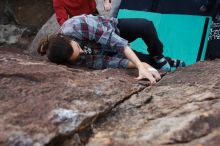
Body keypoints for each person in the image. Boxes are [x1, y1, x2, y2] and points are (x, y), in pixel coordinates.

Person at [38, 14, 185, 84]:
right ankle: (170, 61)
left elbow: (115, 42)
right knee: (146, 63)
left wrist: (139, 66)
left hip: (113, 30)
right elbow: (106, 62)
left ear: (68, 39)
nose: (82, 53)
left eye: (78, 48)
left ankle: (157, 55)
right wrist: (141, 65)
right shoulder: (75, 60)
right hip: (106, 51)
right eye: (77, 56)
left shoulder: (76, 25)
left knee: (145, 26)